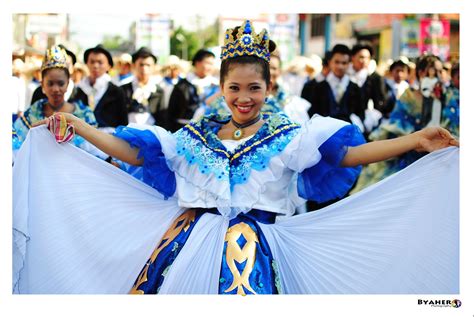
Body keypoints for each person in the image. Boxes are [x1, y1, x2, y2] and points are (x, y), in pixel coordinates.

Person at [13, 21, 459, 295]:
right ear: (221, 89)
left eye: (254, 88)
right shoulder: (195, 135)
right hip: (185, 251)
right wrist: (81, 127)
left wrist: (415, 140)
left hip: (259, 254)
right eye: (235, 88)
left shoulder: (286, 136)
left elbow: (346, 156)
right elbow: (133, 151)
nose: (244, 98)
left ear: (269, 87)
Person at [351, 54, 454, 193]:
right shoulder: (408, 96)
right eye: (432, 71)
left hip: (442, 158)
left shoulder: (449, 97)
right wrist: (415, 139)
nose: (438, 75)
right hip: (409, 159)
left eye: (440, 71)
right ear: (421, 73)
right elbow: (395, 126)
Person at [13, 45, 97, 153]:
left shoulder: (85, 114)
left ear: (68, 84)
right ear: (42, 84)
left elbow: (94, 152)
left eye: (61, 83)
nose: (56, 89)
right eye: (50, 83)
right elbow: (17, 144)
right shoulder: (33, 112)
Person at [302, 44, 365, 131]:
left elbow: (361, 113)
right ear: (330, 62)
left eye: (344, 63)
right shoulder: (318, 87)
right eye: (337, 62)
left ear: (349, 64)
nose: (340, 66)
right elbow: (312, 113)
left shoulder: (355, 88)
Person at [77, 44, 128, 130]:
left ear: (109, 66)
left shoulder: (117, 91)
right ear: (86, 64)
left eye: (100, 62)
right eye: (92, 62)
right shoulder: (79, 89)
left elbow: (123, 122)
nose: (95, 66)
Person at [167, 48, 219, 132]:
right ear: (197, 63)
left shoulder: (215, 86)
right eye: (208, 63)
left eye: (212, 64)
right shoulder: (182, 85)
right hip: (184, 129)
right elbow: (172, 111)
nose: (210, 67)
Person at [121, 47, 165, 127]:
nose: (144, 68)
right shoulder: (123, 89)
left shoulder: (159, 91)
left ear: (153, 67)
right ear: (134, 65)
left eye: (148, 65)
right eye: (141, 65)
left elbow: (163, 118)